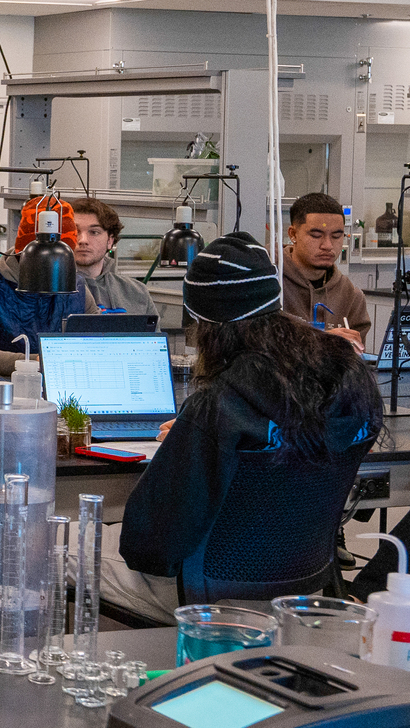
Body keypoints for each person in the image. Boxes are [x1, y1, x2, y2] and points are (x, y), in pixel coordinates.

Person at [105, 232, 382, 622]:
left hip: (206, 599)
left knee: (69, 551)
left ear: (204, 323)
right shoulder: (350, 378)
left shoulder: (219, 404)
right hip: (304, 589)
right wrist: (195, 434)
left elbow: (150, 546)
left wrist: (191, 437)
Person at [0, 200, 91, 376]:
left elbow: (101, 341)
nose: (55, 263)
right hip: (0, 392)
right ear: (27, 250)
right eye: (47, 256)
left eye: (62, 257)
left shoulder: (76, 287)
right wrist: (37, 362)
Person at [280, 192, 369, 351]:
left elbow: (357, 360)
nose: (327, 245)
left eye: (336, 236)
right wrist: (323, 341)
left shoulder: (351, 296)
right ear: (293, 234)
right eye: (316, 235)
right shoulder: (269, 283)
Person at [72, 197, 155, 316]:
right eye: (75, 231)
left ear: (110, 241)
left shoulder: (138, 293)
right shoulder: (49, 293)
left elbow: (155, 334)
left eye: (94, 232)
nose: (83, 240)